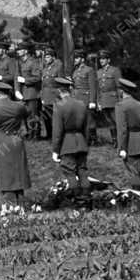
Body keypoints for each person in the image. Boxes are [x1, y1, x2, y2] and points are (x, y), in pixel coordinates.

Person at [0, 79, 31, 204]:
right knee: (18, 172)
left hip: (3, 141)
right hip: (17, 140)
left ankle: (10, 205)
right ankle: (21, 203)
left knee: (6, 174)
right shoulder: (18, 106)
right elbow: (28, 112)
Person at [51, 76, 91, 207]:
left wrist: (55, 150)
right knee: (83, 171)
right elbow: (86, 128)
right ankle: (87, 198)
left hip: (67, 143)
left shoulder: (59, 106)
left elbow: (57, 131)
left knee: (70, 172)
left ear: (59, 90)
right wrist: (86, 142)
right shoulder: (81, 104)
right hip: (81, 141)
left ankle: (78, 200)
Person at [115, 77, 140, 197]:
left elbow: (122, 129)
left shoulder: (121, 106)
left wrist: (122, 148)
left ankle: (138, 200)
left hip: (130, 142)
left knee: (133, 172)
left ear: (122, 91)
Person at [96, 52, 122, 148]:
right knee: (109, 122)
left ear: (108, 60)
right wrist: (98, 101)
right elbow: (98, 89)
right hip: (104, 100)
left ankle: (121, 141)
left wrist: (120, 100)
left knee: (117, 121)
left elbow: (119, 86)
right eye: (100, 59)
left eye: (103, 59)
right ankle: (114, 140)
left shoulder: (115, 71)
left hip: (113, 99)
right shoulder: (98, 72)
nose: (101, 61)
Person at [18, 45, 43, 139]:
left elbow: (37, 77)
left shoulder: (33, 62)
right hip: (24, 92)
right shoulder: (22, 63)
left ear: (25, 51)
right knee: (26, 114)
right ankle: (29, 132)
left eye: (20, 50)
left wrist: (25, 80)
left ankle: (35, 134)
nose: (18, 52)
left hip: (32, 92)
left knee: (33, 114)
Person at [39, 46, 63, 140]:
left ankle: (56, 135)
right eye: (45, 57)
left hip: (54, 96)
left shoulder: (58, 67)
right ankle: (49, 135)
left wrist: (60, 95)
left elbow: (61, 82)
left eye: (48, 57)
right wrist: (42, 96)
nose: (46, 59)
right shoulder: (45, 69)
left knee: (55, 118)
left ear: (53, 57)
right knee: (46, 118)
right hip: (46, 95)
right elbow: (43, 84)